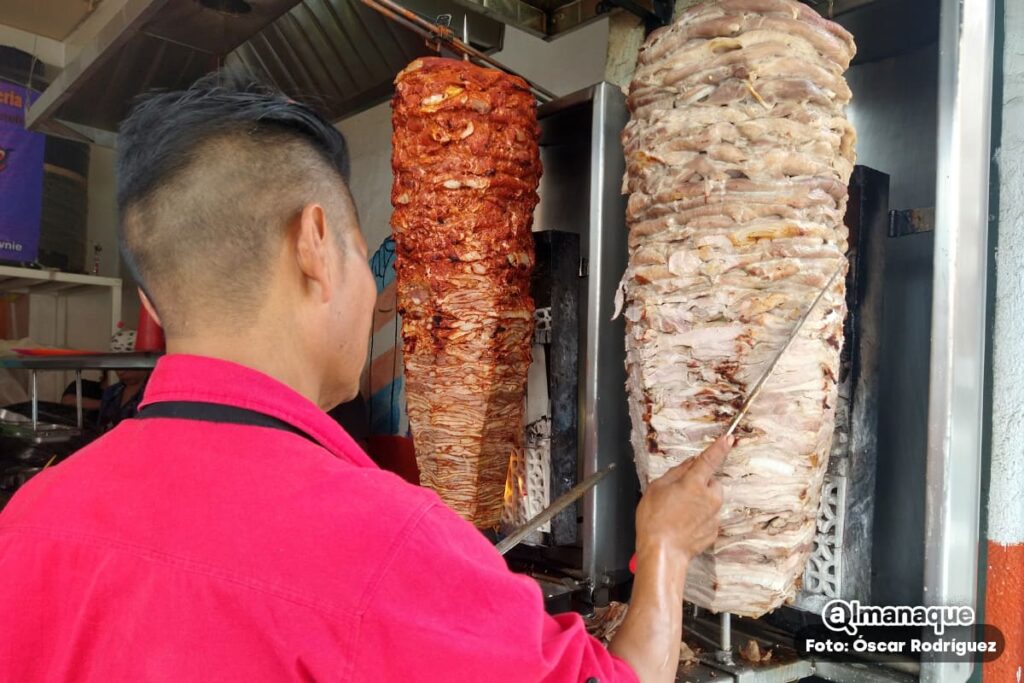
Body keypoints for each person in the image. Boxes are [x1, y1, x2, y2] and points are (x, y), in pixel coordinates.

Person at [0, 75, 731, 683]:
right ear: (315, 245)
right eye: (362, 249)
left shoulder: (27, 522)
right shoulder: (387, 545)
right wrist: (665, 549)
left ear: (154, 303)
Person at [95, 328, 149, 431]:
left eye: (125, 362)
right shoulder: (111, 393)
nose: (120, 370)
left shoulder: (153, 394)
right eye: (116, 363)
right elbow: (101, 428)